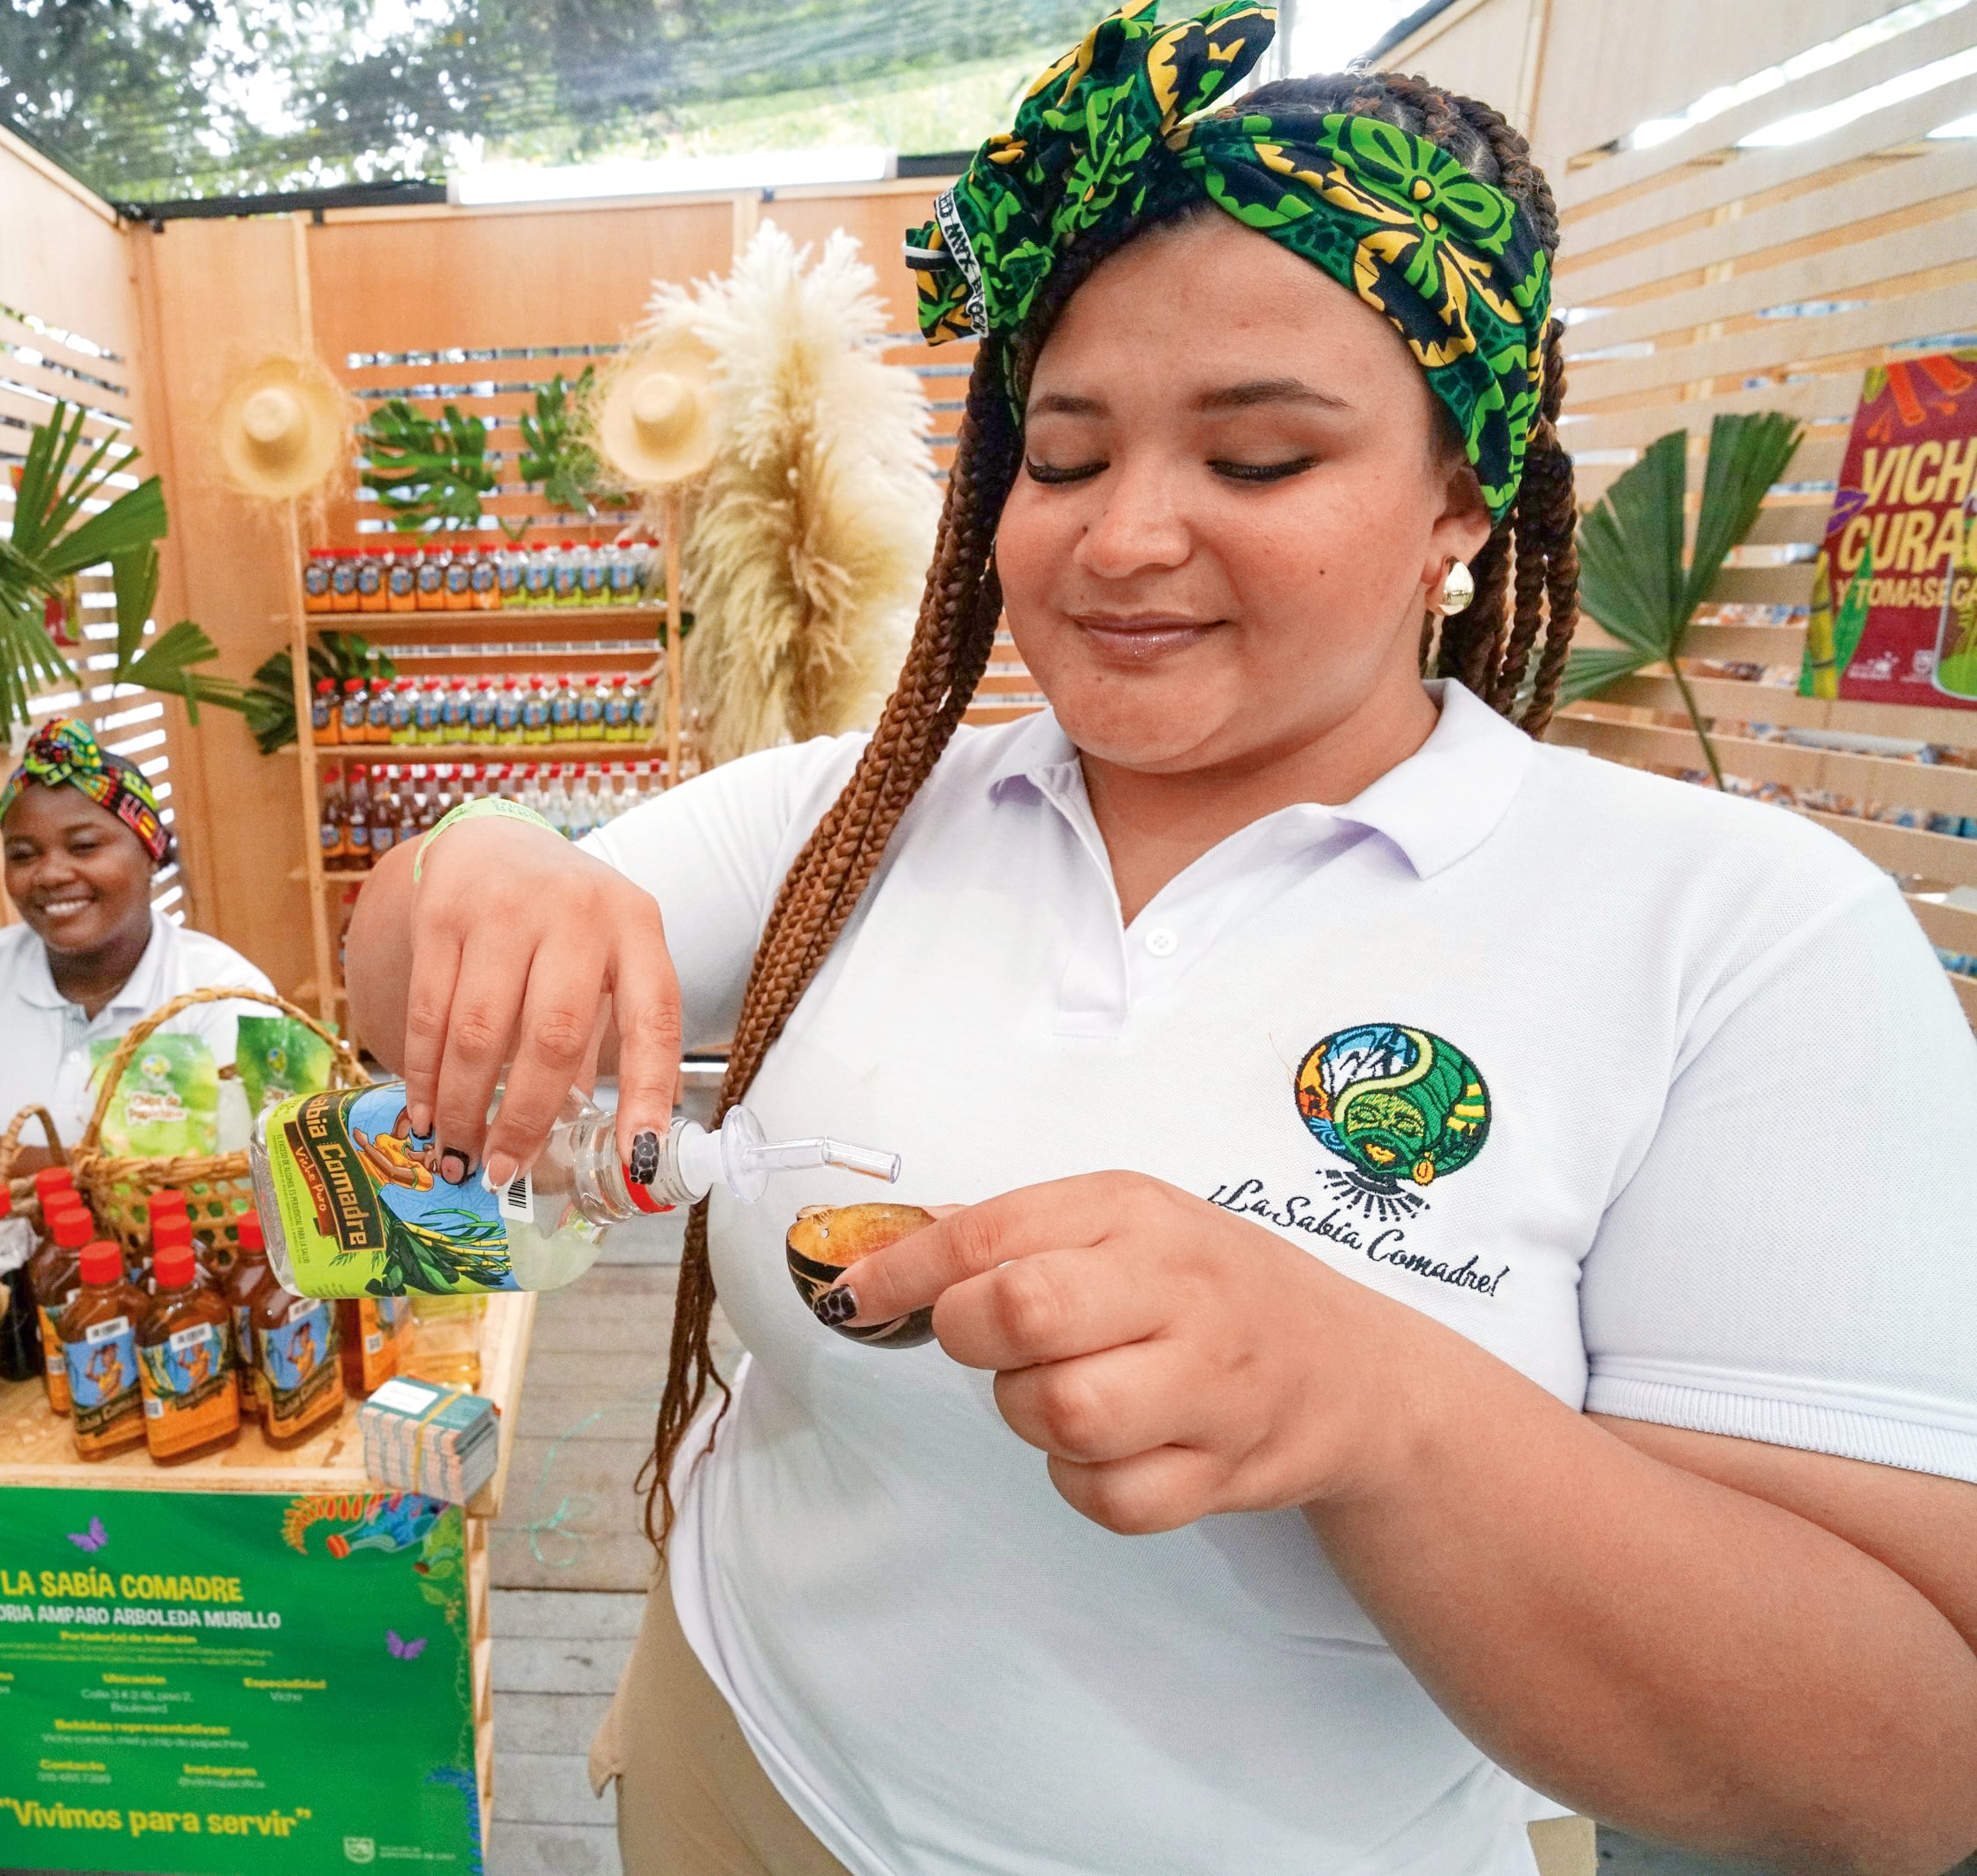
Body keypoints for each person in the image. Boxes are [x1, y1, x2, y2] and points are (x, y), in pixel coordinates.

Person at [344, 11, 1977, 1876]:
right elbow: (415, 985)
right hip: (741, 1763)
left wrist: (1370, 1401)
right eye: (1061, 454)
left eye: (1261, 459)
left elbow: (1913, 1764)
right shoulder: (852, 820)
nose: (1122, 538)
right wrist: (473, 860)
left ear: (1461, 494)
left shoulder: (1733, 939)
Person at [0, 719, 274, 1187]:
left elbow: (258, 1175)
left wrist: (12, 1163)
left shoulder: (227, 996)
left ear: (150, 853)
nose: (51, 874)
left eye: (83, 846)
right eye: (23, 854)